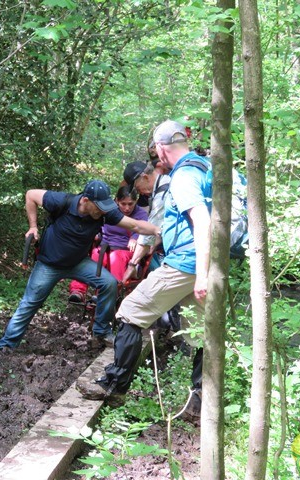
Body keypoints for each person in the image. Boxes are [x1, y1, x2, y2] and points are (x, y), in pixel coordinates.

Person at [78, 120, 211, 416]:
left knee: (130, 311)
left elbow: (201, 220)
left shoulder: (184, 175)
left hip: (187, 262)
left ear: (162, 148)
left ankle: (114, 386)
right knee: (201, 333)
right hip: (204, 261)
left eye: (155, 150)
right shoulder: (205, 167)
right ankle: (201, 404)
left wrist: (200, 273)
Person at [0, 179, 161, 351]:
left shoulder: (104, 212)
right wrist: (33, 226)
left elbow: (135, 225)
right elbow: (31, 195)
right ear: (85, 200)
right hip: (49, 265)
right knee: (30, 303)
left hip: (78, 263)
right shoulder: (62, 201)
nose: (102, 211)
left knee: (109, 283)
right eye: (98, 207)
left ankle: (101, 331)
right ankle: (7, 344)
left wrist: (158, 230)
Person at [68, 185, 148, 303]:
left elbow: (144, 230)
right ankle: (78, 291)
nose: (127, 208)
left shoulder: (140, 214)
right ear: (117, 201)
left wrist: (135, 237)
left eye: (130, 204)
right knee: (94, 255)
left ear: (135, 202)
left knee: (116, 258)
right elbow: (98, 225)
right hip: (105, 246)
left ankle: (107, 294)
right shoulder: (109, 211)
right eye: (123, 204)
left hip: (125, 250)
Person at [121, 159, 171, 281]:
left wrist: (132, 264)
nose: (139, 192)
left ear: (145, 177)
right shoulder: (165, 183)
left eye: (137, 188)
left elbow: (148, 232)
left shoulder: (163, 193)